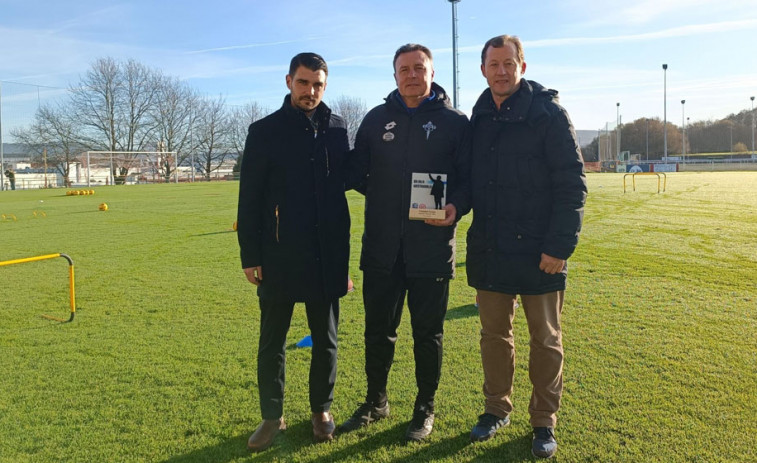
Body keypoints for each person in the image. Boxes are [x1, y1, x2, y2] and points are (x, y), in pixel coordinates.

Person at [339, 44, 470, 442]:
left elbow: (469, 179)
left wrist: (455, 206)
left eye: (419, 68)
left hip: (430, 247)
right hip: (381, 248)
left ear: (431, 72)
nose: (411, 75)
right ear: (394, 75)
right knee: (378, 331)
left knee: (427, 333)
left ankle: (424, 406)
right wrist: (382, 195)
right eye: (404, 69)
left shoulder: (455, 122)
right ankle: (376, 401)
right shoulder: (376, 119)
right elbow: (357, 171)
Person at [466, 35, 587, 459]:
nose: (501, 71)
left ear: (522, 65)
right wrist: (450, 206)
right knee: (494, 336)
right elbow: (469, 182)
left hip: (542, 253)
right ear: (483, 69)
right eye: (493, 64)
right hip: (491, 248)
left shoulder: (549, 114)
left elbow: (572, 184)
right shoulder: (477, 117)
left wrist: (559, 246)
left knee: (546, 340)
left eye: (508, 63)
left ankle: (543, 421)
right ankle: (496, 408)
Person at [236, 52, 351, 452]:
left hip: (326, 256)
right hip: (279, 254)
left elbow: (344, 193)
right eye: (304, 83)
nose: (311, 91)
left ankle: (321, 410)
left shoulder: (338, 128)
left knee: (327, 339)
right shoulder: (264, 130)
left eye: (318, 84)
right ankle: (272, 416)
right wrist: (250, 255)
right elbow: (249, 198)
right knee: (272, 343)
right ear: (288, 81)